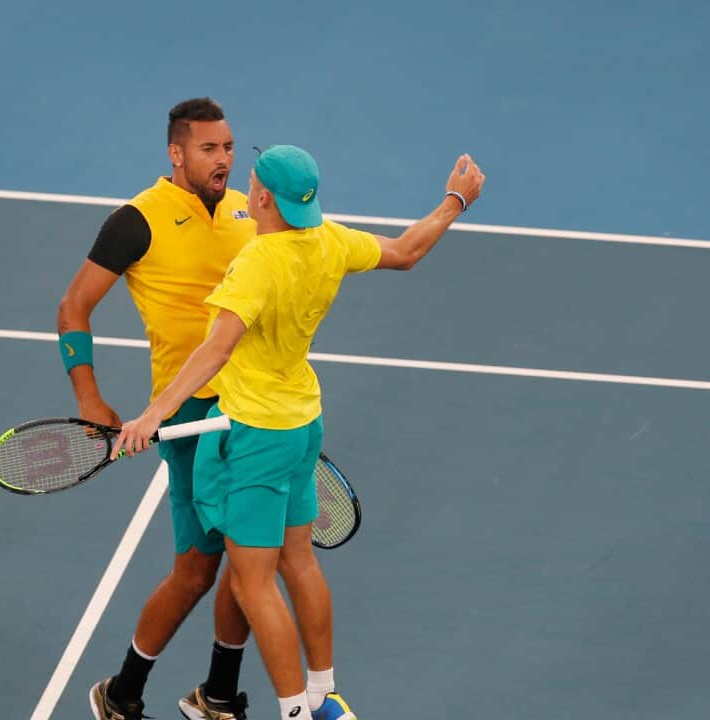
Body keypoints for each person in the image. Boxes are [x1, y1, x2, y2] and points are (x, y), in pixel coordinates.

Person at [112, 145, 485, 720]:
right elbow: (407, 252)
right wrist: (455, 200)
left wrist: (153, 414)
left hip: (257, 436)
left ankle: (293, 714)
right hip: (302, 423)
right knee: (301, 562)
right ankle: (323, 694)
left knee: (255, 584)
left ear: (261, 198)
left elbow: (216, 347)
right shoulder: (329, 240)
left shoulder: (257, 264)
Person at [57, 97, 254, 720]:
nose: (222, 158)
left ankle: (219, 695)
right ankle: (122, 692)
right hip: (190, 415)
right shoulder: (136, 221)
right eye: (208, 149)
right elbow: (73, 309)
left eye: (226, 147)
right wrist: (90, 396)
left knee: (253, 558)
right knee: (197, 572)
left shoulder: (253, 209)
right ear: (177, 153)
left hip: (255, 407)